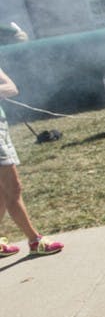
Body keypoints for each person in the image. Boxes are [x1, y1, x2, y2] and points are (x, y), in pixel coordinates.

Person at [0, 67, 64, 256]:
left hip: (2, 128)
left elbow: (11, 87)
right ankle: (35, 240)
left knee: (2, 193)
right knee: (13, 188)